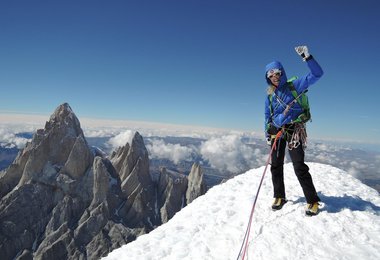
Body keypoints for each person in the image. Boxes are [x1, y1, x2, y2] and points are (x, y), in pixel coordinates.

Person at [264, 46, 323, 216]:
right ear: (267, 77)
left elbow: (317, 74)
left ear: (282, 72)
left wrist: (307, 57)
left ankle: (312, 201)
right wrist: (267, 133)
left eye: (277, 73)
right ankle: (279, 196)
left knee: (299, 166)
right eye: (270, 75)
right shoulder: (270, 95)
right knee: (275, 165)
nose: (274, 77)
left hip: (293, 131)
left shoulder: (295, 86)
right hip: (276, 131)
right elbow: (267, 115)